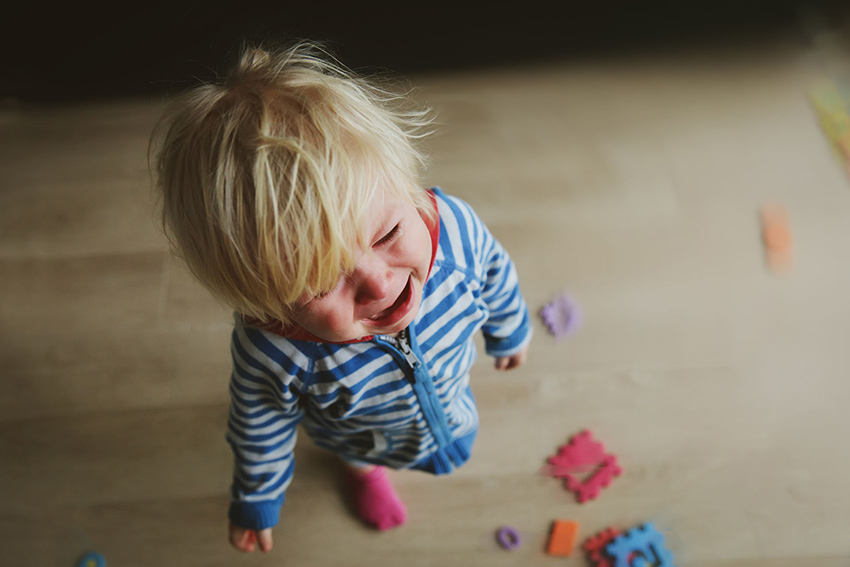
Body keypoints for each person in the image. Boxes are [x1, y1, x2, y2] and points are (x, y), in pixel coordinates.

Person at [150, 41, 532, 553]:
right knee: (360, 453)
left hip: (449, 376)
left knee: (445, 398)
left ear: (407, 185)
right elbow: (258, 424)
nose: (378, 284)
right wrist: (255, 497)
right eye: (323, 282)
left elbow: (495, 271)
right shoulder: (276, 353)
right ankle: (364, 473)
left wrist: (509, 329)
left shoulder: (454, 230)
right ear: (267, 302)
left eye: (387, 234)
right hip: (359, 433)